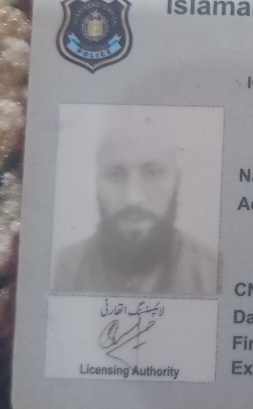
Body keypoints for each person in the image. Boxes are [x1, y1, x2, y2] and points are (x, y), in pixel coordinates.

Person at [52, 113, 218, 294]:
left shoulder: (214, 275)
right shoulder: (59, 273)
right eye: (115, 175)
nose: (133, 198)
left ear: (177, 180)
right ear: (96, 182)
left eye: (153, 173)